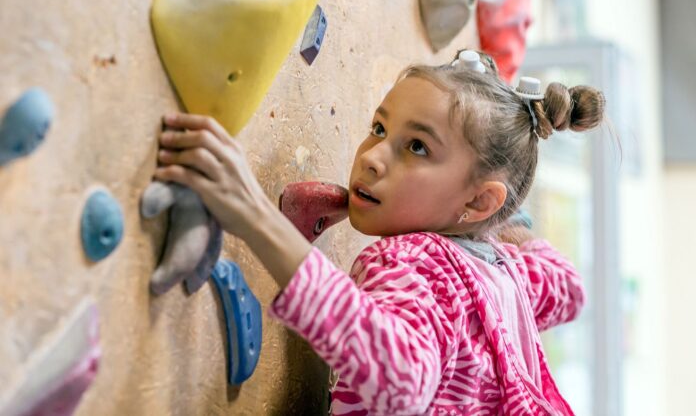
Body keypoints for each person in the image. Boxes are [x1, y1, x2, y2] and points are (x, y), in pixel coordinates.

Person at [153, 49, 605, 415]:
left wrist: (251, 212)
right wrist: (493, 218)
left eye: (417, 147)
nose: (371, 156)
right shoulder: (506, 276)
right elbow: (567, 284)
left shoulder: (412, 263)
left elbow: (401, 379)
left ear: (478, 201)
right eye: (379, 128)